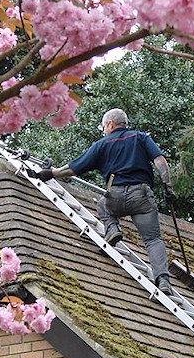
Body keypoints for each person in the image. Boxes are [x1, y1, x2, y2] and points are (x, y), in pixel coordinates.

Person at [35, 108, 176, 295]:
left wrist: (51, 173)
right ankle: (163, 281)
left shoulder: (102, 144)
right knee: (152, 239)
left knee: (102, 204)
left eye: (104, 127)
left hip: (115, 196)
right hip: (141, 196)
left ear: (110, 124)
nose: (104, 130)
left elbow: (74, 168)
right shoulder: (141, 138)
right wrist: (167, 185)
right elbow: (159, 160)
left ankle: (112, 229)